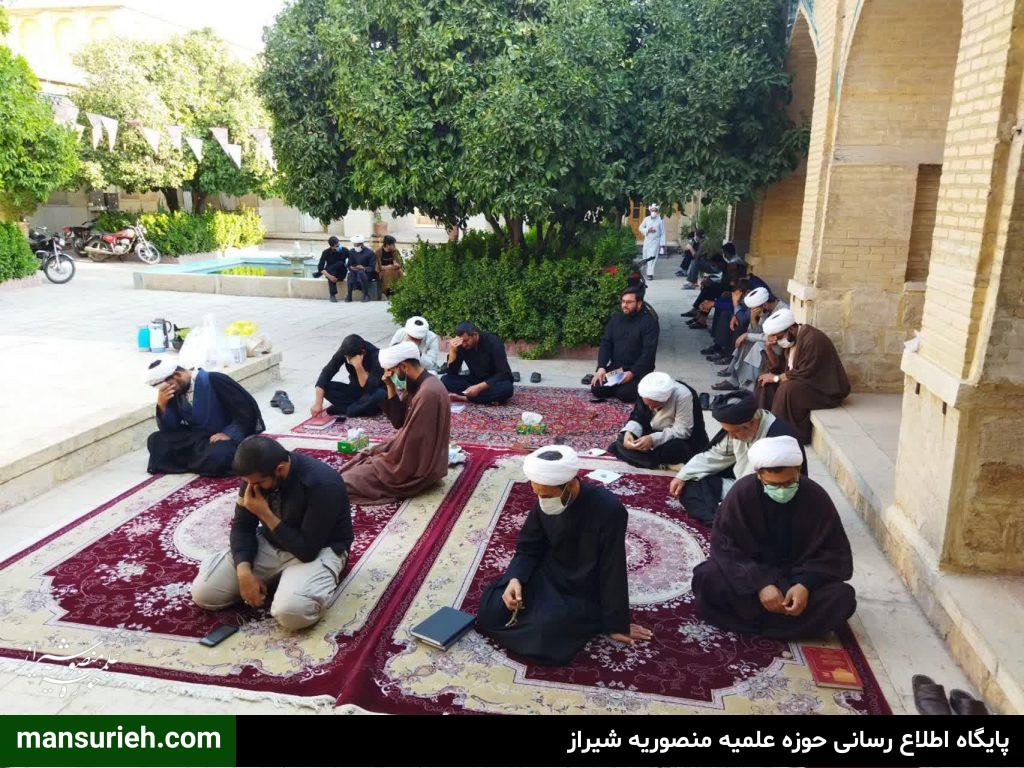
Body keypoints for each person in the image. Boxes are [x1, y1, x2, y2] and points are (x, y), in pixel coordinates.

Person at [475, 445, 653, 665]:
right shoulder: (546, 499)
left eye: (546, 495)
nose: (542, 500)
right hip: (548, 572)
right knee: (492, 611)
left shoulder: (608, 509)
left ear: (570, 484)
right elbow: (529, 546)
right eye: (537, 493)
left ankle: (582, 620)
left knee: (544, 635)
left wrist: (616, 623)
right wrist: (515, 578)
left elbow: (612, 566)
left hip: (582, 586)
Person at [691, 435, 856, 639]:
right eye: (774, 485)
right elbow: (724, 546)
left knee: (842, 597)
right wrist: (760, 584)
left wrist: (805, 585)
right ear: (759, 475)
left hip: (796, 580)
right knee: (706, 577)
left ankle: (758, 623)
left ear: (798, 471)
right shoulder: (742, 493)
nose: (782, 490)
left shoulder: (816, 497)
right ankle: (786, 627)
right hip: (750, 580)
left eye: (788, 483)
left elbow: (833, 552)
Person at [190, 435, 354, 631]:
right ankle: (285, 581)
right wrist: (244, 571)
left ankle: (311, 581)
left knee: (292, 614)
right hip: (274, 541)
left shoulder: (323, 483)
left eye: (258, 483)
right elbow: (242, 526)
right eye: (247, 482)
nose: (252, 487)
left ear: (280, 469)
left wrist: (264, 513)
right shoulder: (255, 477)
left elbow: (307, 550)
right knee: (204, 593)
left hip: (319, 549)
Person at [668, 390, 806, 524]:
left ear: (751, 423)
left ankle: (727, 521)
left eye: (733, 432)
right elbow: (717, 455)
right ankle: (725, 520)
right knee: (689, 486)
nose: (731, 437)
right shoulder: (738, 429)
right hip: (739, 486)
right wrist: (684, 474)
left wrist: (740, 500)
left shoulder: (779, 440)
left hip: (766, 493)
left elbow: (781, 487)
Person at [340, 341, 451, 505]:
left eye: (391, 370)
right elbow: (399, 422)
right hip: (415, 456)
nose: (389, 374)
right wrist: (390, 386)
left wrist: (385, 458)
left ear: (404, 366)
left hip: (415, 468)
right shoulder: (420, 383)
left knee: (346, 481)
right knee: (364, 459)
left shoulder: (427, 393)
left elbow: (412, 444)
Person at [145, 359, 264, 477]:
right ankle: (200, 461)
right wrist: (162, 406)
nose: (170, 391)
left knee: (220, 454)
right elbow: (170, 429)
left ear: (177, 375)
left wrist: (229, 434)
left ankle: (196, 460)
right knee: (155, 440)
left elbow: (245, 412)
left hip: (225, 438)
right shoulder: (177, 391)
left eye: (170, 386)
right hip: (200, 438)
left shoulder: (214, 379)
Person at [755, 308, 851, 444]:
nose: (779, 341)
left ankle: (782, 434)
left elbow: (804, 373)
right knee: (764, 383)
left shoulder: (812, 339)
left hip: (825, 390)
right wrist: (769, 349)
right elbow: (778, 367)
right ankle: (761, 426)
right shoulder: (792, 338)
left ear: (791, 328)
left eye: (779, 337)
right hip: (803, 382)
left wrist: (776, 378)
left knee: (788, 388)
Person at [608, 372, 709, 469]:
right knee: (622, 439)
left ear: (666, 398)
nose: (650, 408)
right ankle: (661, 463)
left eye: (655, 405)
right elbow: (638, 415)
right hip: (651, 431)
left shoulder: (684, 395)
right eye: (648, 404)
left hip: (676, 438)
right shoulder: (645, 389)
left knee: (675, 449)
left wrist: (653, 439)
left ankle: (647, 460)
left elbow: (683, 431)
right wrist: (630, 432)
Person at [591, 287, 659, 403]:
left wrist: (632, 373)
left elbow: (648, 353)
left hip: (638, 371)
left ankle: (638, 386)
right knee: (597, 387)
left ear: (639, 304)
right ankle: (616, 385)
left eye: (629, 302)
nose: (624, 305)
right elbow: (606, 343)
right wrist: (601, 367)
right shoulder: (616, 318)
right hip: (619, 370)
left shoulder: (649, 323)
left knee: (625, 394)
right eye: (623, 301)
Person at [714, 287, 789, 391]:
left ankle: (747, 385)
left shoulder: (782, 311)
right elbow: (756, 332)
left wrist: (747, 335)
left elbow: (772, 337)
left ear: (764, 304)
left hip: (778, 346)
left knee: (757, 345)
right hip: (768, 340)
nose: (752, 311)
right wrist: (753, 319)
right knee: (745, 341)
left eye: (753, 309)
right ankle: (734, 379)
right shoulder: (766, 309)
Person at [311, 334, 386, 418]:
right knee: (326, 387)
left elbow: (369, 388)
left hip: (372, 392)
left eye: (350, 359)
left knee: (381, 394)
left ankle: (348, 410)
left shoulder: (376, 356)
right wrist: (318, 403)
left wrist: (358, 367)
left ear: (363, 352)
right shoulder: (346, 351)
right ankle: (357, 409)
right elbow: (326, 373)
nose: (348, 361)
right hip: (355, 390)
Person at [441, 321, 515, 405]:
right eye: (461, 342)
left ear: (475, 335)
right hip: (475, 379)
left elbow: (504, 373)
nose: (464, 345)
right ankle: (487, 398)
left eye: (466, 341)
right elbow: (452, 372)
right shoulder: (461, 345)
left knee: (507, 389)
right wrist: (452, 351)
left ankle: (466, 398)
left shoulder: (493, 342)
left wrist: (479, 387)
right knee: (445, 379)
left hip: (494, 382)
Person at [313, 235, 347, 303]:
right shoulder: (326, 252)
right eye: (337, 246)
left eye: (339, 244)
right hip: (331, 273)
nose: (339, 247)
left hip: (341, 273)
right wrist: (330, 277)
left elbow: (351, 260)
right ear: (332, 246)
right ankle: (332, 295)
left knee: (340, 263)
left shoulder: (344, 250)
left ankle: (319, 274)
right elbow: (320, 267)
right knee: (331, 273)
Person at [344, 234, 376, 303]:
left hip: (367, 273)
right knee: (350, 274)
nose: (355, 246)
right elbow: (349, 265)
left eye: (356, 245)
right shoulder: (352, 252)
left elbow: (373, 268)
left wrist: (363, 268)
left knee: (361, 273)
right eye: (354, 245)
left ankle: (366, 295)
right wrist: (352, 268)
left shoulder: (370, 253)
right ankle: (349, 295)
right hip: (355, 272)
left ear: (361, 244)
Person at [638, 204, 666, 280]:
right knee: (645, 256)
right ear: (650, 210)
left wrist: (662, 245)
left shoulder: (661, 219)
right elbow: (640, 227)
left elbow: (663, 232)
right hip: (647, 241)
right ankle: (642, 271)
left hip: (655, 241)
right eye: (652, 210)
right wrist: (647, 230)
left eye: (655, 210)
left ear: (657, 211)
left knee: (652, 257)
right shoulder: (646, 219)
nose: (654, 212)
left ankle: (650, 274)